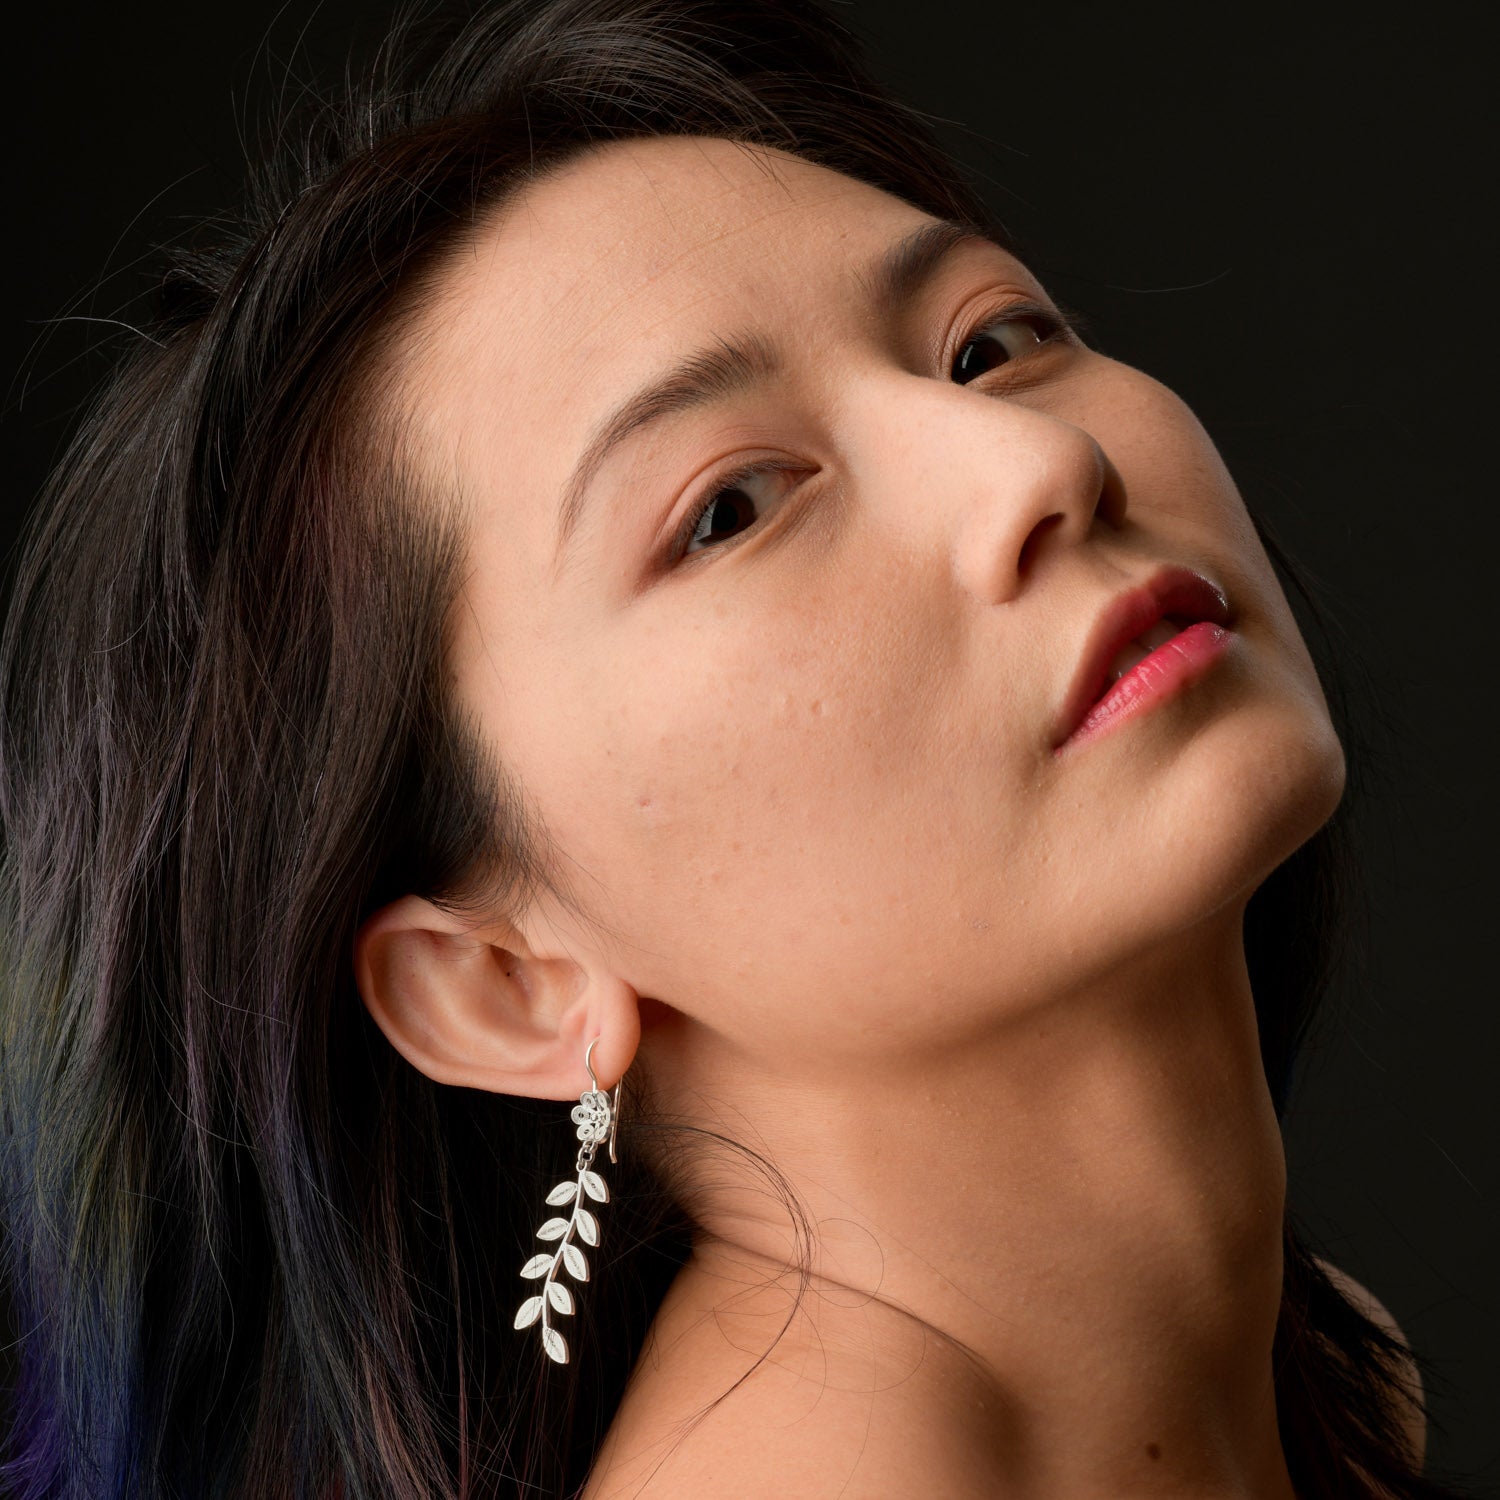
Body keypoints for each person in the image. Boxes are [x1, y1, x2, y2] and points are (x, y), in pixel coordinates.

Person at [0, 0, 1463, 1495]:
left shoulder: (1330, 1386)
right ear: (497, 983)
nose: (1041, 462)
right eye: (729, 509)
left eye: (991, 344)